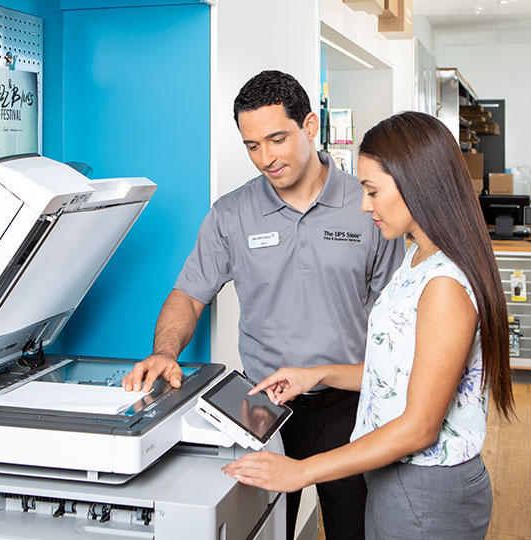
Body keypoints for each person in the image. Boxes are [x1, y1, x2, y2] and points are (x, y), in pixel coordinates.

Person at [120, 70, 403, 540]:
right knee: (264, 529)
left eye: (277, 139)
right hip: (261, 406)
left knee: (353, 529)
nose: (266, 158)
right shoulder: (230, 214)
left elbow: (398, 318)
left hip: (350, 405)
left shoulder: (367, 204)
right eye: (252, 146)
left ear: (310, 127)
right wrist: (165, 351)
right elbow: (188, 296)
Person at [221, 111, 516, 540]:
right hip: (394, 479)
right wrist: (317, 374)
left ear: (418, 184)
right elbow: (400, 375)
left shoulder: (445, 285)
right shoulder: (417, 259)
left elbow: (420, 426)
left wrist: (300, 472)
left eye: (373, 191)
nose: (364, 205)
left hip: (426, 492)